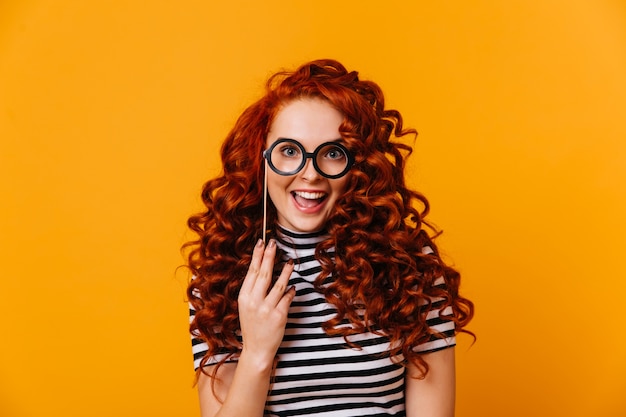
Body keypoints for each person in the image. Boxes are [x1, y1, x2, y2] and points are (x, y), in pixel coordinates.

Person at [184, 59, 474, 417]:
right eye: (289, 151)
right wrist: (257, 352)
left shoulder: (410, 265)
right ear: (261, 158)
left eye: (333, 154)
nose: (310, 174)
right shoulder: (220, 276)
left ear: (360, 164)